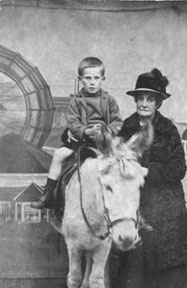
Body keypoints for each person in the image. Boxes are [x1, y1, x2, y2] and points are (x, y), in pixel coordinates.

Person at [114, 68, 187, 288]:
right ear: (135, 101)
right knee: (137, 252)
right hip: (136, 200)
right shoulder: (127, 127)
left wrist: (147, 171)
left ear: (158, 103)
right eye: (140, 99)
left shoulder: (168, 129)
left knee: (166, 251)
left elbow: (178, 169)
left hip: (166, 201)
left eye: (150, 99)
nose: (144, 103)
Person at [31, 57, 123, 209]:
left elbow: (118, 121)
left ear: (103, 79)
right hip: (82, 140)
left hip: (103, 141)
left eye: (96, 78)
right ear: (81, 80)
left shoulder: (109, 100)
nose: (92, 82)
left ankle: (123, 198)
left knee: (122, 161)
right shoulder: (76, 101)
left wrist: (107, 130)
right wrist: (86, 131)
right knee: (59, 154)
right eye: (88, 78)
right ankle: (48, 194)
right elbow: (73, 123)